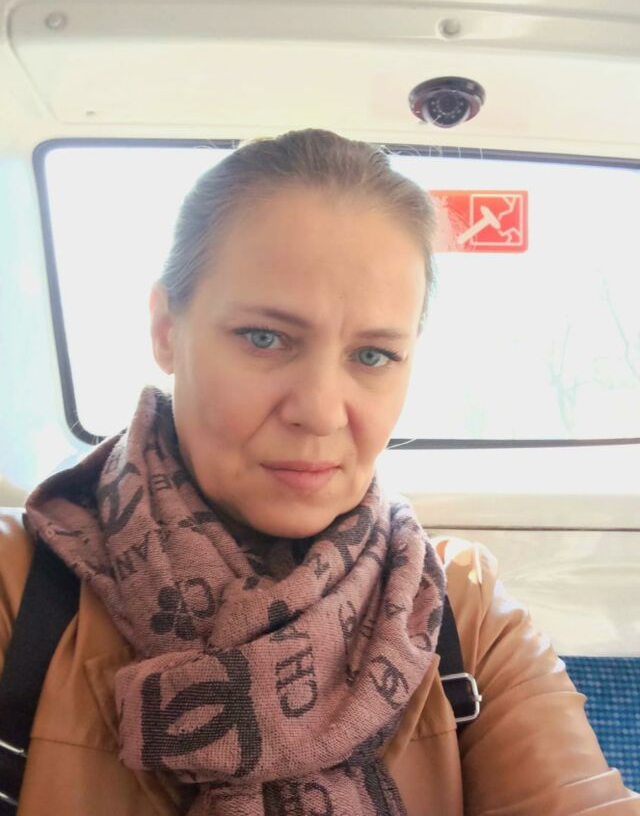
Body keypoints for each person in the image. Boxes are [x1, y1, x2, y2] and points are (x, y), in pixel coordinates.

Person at [0, 129, 638, 815]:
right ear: (165, 330)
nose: (321, 412)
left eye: (373, 355)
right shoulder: (19, 590)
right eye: (265, 338)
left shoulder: (460, 608)